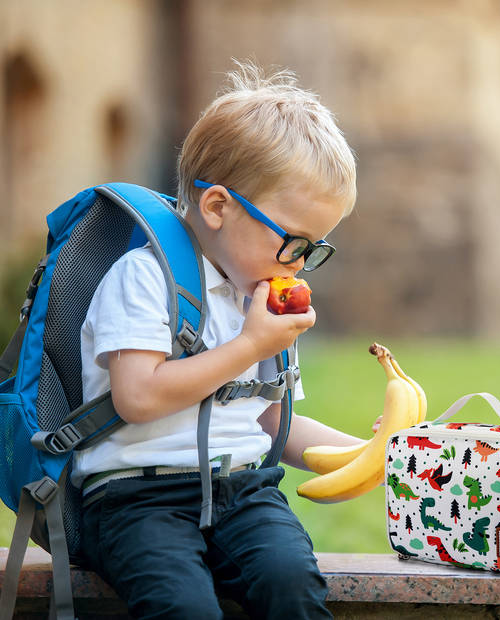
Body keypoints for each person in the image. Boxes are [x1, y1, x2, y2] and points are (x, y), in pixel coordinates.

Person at [74, 60, 367, 619]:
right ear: (217, 208)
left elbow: (269, 422)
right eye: (294, 243)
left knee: (291, 584)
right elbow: (136, 398)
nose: (300, 266)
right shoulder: (145, 278)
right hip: (137, 498)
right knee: (184, 607)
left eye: (315, 249)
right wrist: (249, 347)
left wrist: (371, 454)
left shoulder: (259, 297)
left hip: (243, 492)